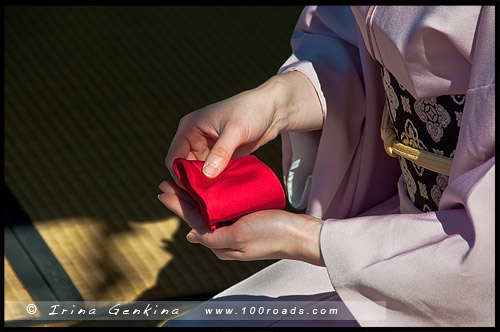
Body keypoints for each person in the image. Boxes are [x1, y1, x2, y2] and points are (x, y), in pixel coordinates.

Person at [158, 6, 495, 327]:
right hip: (390, 221)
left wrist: (305, 238)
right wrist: (279, 100)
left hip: (451, 270)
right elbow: (356, 34)